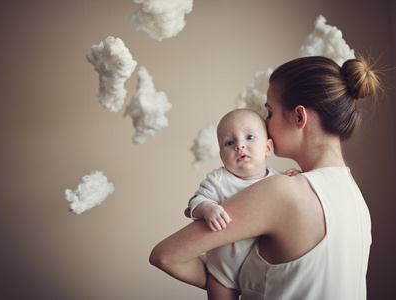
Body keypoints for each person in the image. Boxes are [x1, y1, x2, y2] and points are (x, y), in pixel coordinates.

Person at [149, 55, 381, 299]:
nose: (266, 124)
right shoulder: (357, 201)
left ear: (299, 117)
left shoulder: (282, 191)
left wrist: (222, 280)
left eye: (270, 113)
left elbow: (165, 256)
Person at [186, 108, 290, 299]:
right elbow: (196, 203)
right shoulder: (218, 179)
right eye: (230, 142)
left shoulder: (279, 180)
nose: (239, 146)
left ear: (268, 147)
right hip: (222, 272)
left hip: (261, 271)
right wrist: (207, 208)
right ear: (221, 156)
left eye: (249, 137)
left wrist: (295, 179)